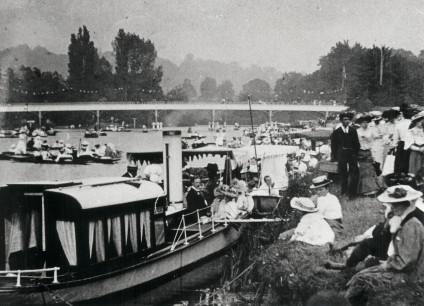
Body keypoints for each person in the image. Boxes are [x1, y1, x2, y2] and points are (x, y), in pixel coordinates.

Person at [345, 185, 424, 303]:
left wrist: (387, 265)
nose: (392, 207)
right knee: (359, 275)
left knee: (362, 280)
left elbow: (407, 261)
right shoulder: (403, 220)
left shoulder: (412, 225)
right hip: (402, 269)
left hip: (410, 275)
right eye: (392, 204)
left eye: (396, 204)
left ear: (406, 204)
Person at [331, 112, 360, 198]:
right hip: (341, 155)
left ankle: (352, 193)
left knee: (355, 173)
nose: (347, 121)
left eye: (348, 119)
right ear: (341, 121)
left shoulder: (353, 130)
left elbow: (357, 143)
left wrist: (355, 153)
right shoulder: (337, 132)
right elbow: (333, 145)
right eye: (345, 119)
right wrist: (335, 156)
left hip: (352, 154)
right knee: (343, 174)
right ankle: (344, 192)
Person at [356, 116, 382, 196]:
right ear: (360, 123)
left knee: (370, 170)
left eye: (366, 122)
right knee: (361, 171)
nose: (365, 124)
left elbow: (378, 138)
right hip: (359, 152)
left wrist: (369, 139)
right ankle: (362, 190)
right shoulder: (356, 131)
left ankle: (372, 190)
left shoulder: (371, 131)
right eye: (363, 122)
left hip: (368, 151)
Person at [393, 104, 415, 176]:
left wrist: (395, 146)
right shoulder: (413, 124)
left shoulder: (398, 124)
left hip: (402, 145)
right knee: (410, 163)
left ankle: (400, 178)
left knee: (400, 164)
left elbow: (395, 139)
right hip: (412, 145)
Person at [404, 111, 424, 175]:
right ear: (416, 122)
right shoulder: (411, 131)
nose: (422, 124)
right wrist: (418, 149)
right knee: (415, 169)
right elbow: (409, 144)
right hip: (416, 152)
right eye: (421, 122)